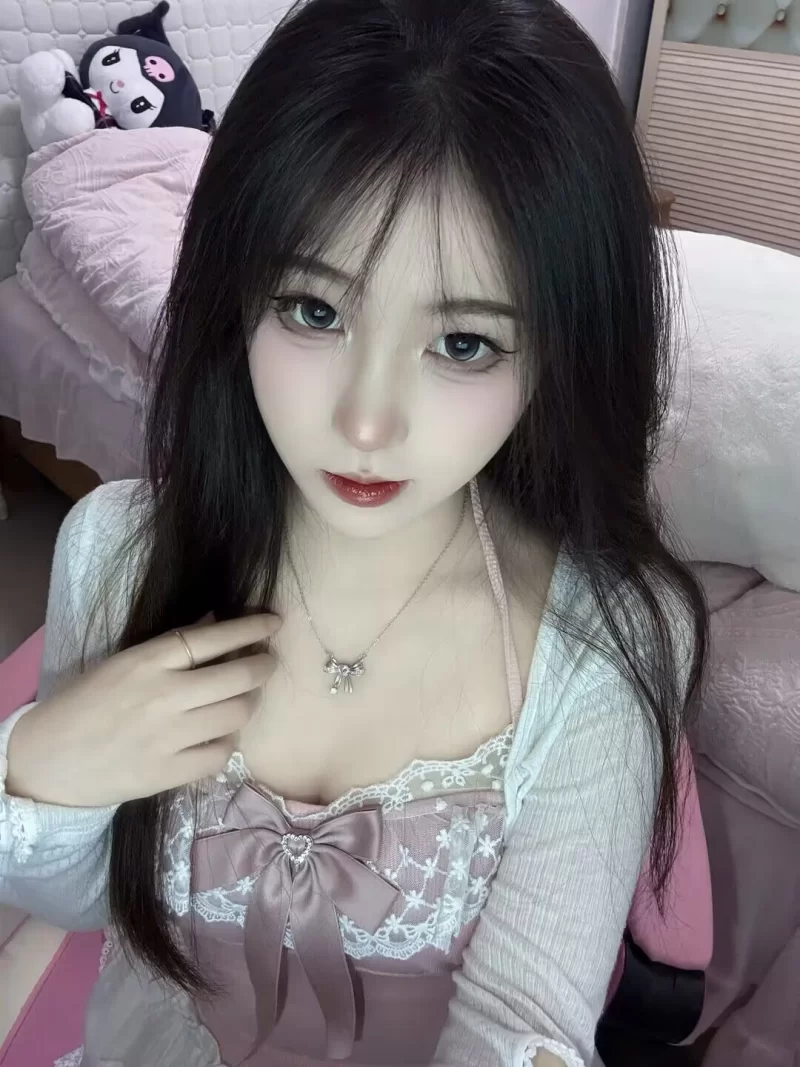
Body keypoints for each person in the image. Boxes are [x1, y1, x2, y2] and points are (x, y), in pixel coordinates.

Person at [0, 0, 708, 1064]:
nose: (366, 424)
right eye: (314, 311)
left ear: (562, 352)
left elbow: (524, 1024)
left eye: (463, 343)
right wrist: (40, 767)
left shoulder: (599, 640)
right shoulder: (117, 553)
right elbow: (89, 901)